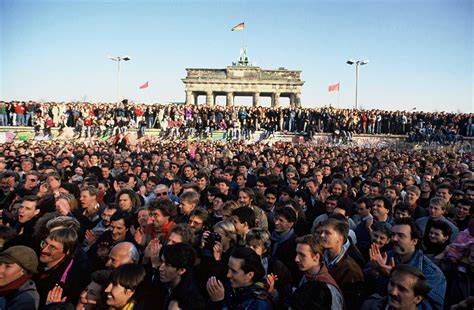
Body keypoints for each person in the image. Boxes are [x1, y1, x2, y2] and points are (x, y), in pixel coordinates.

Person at [366, 217, 446, 309]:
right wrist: (375, 272)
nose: (394, 239)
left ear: (414, 241)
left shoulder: (432, 274)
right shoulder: (383, 257)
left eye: (401, 235)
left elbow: (429, 307)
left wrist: (395, 278)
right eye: (393, 234)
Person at [206, 247, 272, 309]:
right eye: (229, 268)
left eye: (234, 271)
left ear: (249, 275)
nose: (228, 275)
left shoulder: (259, 304)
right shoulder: (229, 288)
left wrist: (219, 303)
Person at [294, 234, 343, 310]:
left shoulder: (329, 289)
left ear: (316, 257)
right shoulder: (306, 275)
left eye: (302, 255)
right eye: (297, 253)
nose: (296, 259)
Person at [158, 243, 206, 309]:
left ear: (182, 270)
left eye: (167, 265)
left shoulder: (187, 300)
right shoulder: (164, 285)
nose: (160, 268)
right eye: (161, 262)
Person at [362, 264, 430, 310]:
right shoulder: (370, 305)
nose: (393, 292)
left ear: (417, 299)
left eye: (402, 289)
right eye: (392, 284)